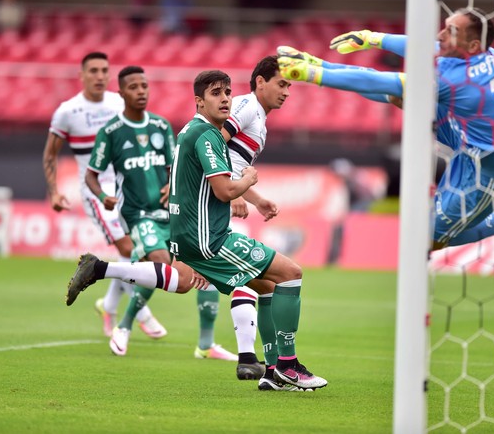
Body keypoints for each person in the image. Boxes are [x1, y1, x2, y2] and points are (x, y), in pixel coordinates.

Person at [65, 70, 328, 391]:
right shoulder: (208, 134)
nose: (226, 98)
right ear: (199, 102)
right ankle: (288, 365)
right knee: (291, 273)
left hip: (190, 235)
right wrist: (247, 181)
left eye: (228, 92)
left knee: (260, 286)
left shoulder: (190, 131)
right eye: (216, 93)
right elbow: (223, 190)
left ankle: (270, 371)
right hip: (209, 238)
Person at [276, 7, 494, 250]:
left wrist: (315, 75)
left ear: (473, 45)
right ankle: (317, 62)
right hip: (467, 139)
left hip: (490, 176)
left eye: (450, 32)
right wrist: (372, 38)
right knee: (402, 94)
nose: (440, 35)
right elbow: (425, 47)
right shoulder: (487, 55)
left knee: (427, 240)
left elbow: (383, 82)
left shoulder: (453, 80)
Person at [85, 65, 236, 361]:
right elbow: (91, 174)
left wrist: (171, 184)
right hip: (138, 213)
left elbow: (175, 166)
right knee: (160, 261)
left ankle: (206, 344)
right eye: (134, 87)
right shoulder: (111, 132)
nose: (141, 91)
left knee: (203, 268)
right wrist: (103, 196)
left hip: (172, 213)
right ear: (121, 93)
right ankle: (126, 325)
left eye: (144, 86)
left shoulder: (161, 126)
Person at [43, 52, 165, 340]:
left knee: (136, 250)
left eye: (104, 70)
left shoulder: (117, 103)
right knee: (127, 246)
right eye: (93, 70)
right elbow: (50, 154)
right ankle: (141, 313)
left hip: (128, 186)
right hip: (96, 191)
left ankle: (108, 305)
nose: (99, 76)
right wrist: (55, 192)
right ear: (82, 75)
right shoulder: (68, 111)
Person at [221, 56, 291, 381]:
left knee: (258, 282)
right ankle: (265, 364)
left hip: (223, 197)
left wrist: (256, 199)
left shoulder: (260, 121)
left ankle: (262, 364)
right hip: (214, 200)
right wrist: (231, 192)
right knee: (263, 278)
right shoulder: (246, 106)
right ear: (260, 82)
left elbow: (233, 160)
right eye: (281, 83)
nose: (287, 92)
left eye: (289, 85)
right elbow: (213, 141)